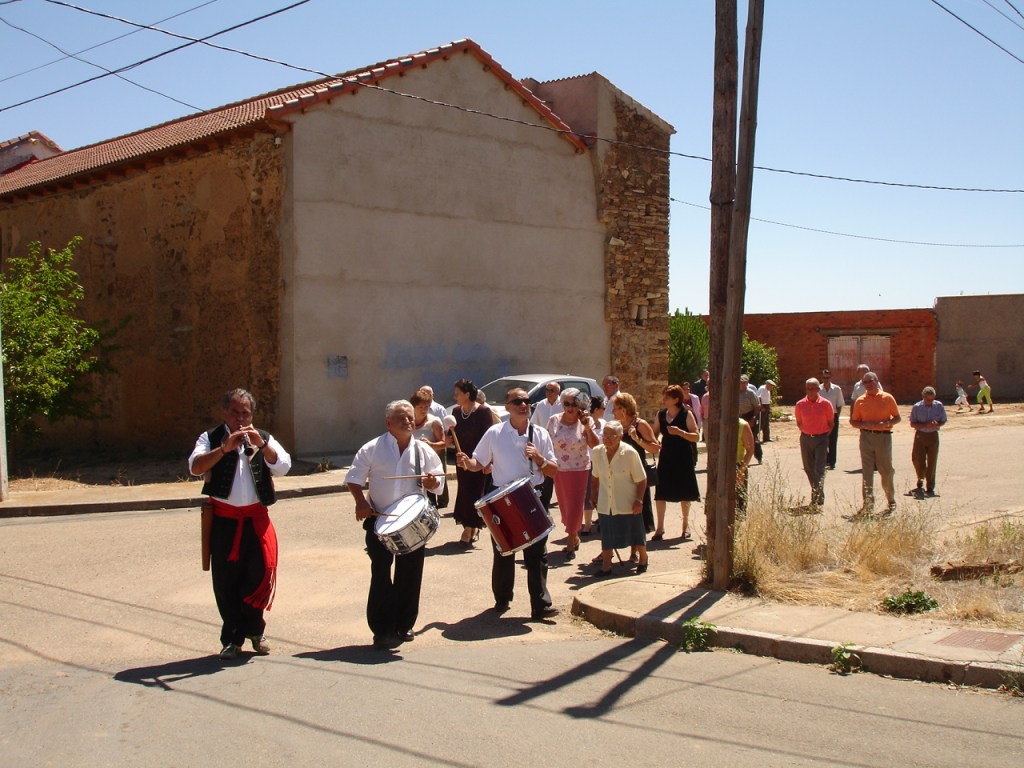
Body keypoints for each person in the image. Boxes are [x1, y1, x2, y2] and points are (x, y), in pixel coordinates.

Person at [188, 388, 292, 660]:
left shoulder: (263, 437)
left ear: (252, 414)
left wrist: (262, 445)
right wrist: (224, 449)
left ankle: (255, 630)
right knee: (226, 582)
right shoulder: (210, 438)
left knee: (259, 576)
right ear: (224, 413)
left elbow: (283, 467)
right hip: (225, 522)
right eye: (234, 412)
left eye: (245, 413)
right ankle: (232, 639)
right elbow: (195, 467)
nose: (240, 418)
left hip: (256, 520)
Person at [346, 400, 444, 649]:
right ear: (388, 422)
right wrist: (360, 503)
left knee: (410, 574)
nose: (408, 421)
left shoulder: (423, 450)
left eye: (410, 417)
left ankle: (404, 623)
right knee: (380, 573)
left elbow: (438, 480)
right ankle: (381, 629)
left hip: (412, 523)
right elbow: (354, 478)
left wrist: (432, 483)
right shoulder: (372, 448)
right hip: (378, 519)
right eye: (401, 417)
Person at [456, 387, 559, 620]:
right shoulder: (495, 432)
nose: (523, 405)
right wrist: (466, 463)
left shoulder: (540, 434)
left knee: (537, 553)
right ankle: (502, 599)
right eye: (518, 401)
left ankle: (541, 605)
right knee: (503, 550)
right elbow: (478, 463)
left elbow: (553, 471)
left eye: (527, 401)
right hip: (502, 497)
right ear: (508, 406)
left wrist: (539, 458)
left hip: (533, 496)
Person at [590, 420, 648, 575]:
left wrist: (639, 500)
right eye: (605, 435)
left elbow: (642, 479)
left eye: (611, 436)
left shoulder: (630, 453)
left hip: (627, 501)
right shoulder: (597, 452)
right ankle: (606, 566)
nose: (607, 439)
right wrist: (593, 493)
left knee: (635, 532)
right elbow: (595, 476)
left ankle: (643, 558)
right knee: (607, 534)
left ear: (620, 436)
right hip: (606, 502)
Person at [547, 388, 599, 558]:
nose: (570, 407)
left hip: (579, 469)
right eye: (566, 403)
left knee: (576, 505)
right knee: (565, 506)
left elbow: (594, 444)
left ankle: (570, 541)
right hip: (559, 469)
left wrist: (587, 427)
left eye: (574, 404)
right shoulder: (554, 420)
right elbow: (548, 443)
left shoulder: (586, 421)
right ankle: (574, 535)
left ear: (580, 405)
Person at [449, 379, 495, 546]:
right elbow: (451, 436)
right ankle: (470, 526)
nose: (454, 396)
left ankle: (470, 528)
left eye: (457, 393)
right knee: (464, 492)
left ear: (467, 394)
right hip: (462, 458)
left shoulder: (483, 411)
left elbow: (489, 438)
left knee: (475, 493)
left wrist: (488, 462)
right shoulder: (455, 412)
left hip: (479, 459)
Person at [651, 384, 701, 541]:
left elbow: (696, 436)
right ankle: (660, 528)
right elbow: (654, 433)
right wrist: (653, 441)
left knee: (685, 492)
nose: (664, 399)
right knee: (661, 492)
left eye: (667, 397)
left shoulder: (686, 414)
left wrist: (680, 433)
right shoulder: (661, 414)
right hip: (666, 456)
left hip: (683, 456)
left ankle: (685, 525)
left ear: (676, 399)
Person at [849, 372, 901, 518]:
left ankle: (891, 500)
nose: (868, 384)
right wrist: (863, 424)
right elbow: (854, 421)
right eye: (865, 382)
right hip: (866, 438)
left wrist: (887, 423)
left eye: (870, 381)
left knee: (886, 471)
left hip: (883, 438)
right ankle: (868, 505)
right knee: (867, 472)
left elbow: (897, 418)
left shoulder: (887, 398)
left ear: (877, 381)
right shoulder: (860, 401)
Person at [611, 392, 659, 535]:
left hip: (637, 473)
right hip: (620, 473)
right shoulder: (617, 426)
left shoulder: (640, 424)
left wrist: (637, 439)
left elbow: (655, 448)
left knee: (638, 507)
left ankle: (639, 542)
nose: (613, 411)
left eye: (615, 408)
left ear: (624, 409)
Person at [794, 378, 835, 510]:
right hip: (806, 439)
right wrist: (807, 431)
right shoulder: (800, 404)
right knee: (808, 468)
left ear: (818, 389)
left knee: (819, 469)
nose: (811, 391)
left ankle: (815, 498)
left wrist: (823, 435)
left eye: (813, 388)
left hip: (821, 439)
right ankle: (819, 494)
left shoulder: (826, 404)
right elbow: (799, 422)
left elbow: (831, 423)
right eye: (808, 388)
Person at [411, 389, 448, 510]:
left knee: (429, 499)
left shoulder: (434, 422)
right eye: (420, 407)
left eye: (426, 407)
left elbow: (443, 443)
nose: (424, 410)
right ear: (413, 407)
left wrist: (430, 444)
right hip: (412, 465)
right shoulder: (408, 422)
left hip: (429, 465)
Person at [909, 386, 947, 499]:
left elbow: (943, 420)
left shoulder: (939, 406)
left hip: (933, 435)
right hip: (920, 435)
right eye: (927, 399)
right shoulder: (917, 407)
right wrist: (925, 425)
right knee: (917, 459)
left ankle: (930, 485)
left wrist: (937, 424)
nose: (929, 401)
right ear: (923, 397)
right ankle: (920, 476)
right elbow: (912, 423)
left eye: (931, 399)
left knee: (932, 461)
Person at [531, 381, 563, 509]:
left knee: (561, 475)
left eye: (552, 390)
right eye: (547, 390)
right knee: (547, 475)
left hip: (561, 445)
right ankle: (545, 504)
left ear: (558, 392)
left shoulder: (563, 404)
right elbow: (534, 424)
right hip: (545, 444)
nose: (548, 393)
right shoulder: (541, 405)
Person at [580, 395, 607, 536]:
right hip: (589, 461)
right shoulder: (584, 424)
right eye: (603, 408)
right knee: (589, 493)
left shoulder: (603, 423)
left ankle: (602, 521)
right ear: (596, 409)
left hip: (603, 462)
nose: (604, 410)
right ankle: (587, 525)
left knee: (604, 493)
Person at [819, 369, 845, 470]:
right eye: (824, 378)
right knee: (822, 439)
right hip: (821, 417)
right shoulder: (818, 389)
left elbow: (839, 404)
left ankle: (832, 462)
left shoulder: (837, 389)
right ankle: (825, 460)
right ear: (821, 378)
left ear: (830, 378)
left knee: (833, 440)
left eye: (827, 378)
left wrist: (836, 416)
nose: (825, 380)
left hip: (833, 416)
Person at [738, 375, 763, 464]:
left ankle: (759, 456)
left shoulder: (750, 393)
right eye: (740, 382)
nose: (742, 384)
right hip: (738, 417)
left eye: (744, 382)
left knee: (752, 438)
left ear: (747, 383)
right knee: (739, 438)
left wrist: (753, 418)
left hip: (749, 416)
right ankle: (741, 459)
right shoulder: (734, 392)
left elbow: (757, 406)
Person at [736, 417, 756, 514]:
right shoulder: (717, 423)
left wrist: (740, 471)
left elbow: (750, 450)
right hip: (720, 466)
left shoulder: (742, 425)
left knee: (738, 503)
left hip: (737, 466)